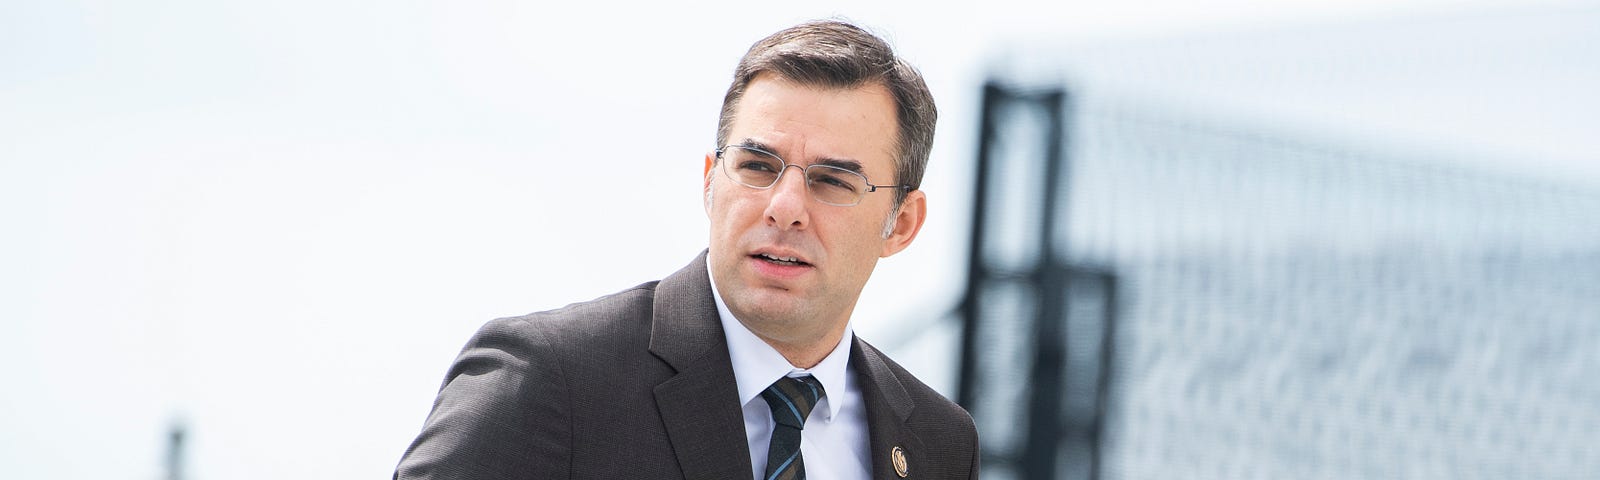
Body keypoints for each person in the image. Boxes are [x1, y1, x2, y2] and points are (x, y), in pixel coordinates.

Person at [394, 19, 978, 480]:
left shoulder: (936, 440)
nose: (785, 206)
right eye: (756, 166)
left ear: (901, 224)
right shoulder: (548, 378)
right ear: (710, 181)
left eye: (832, 181)